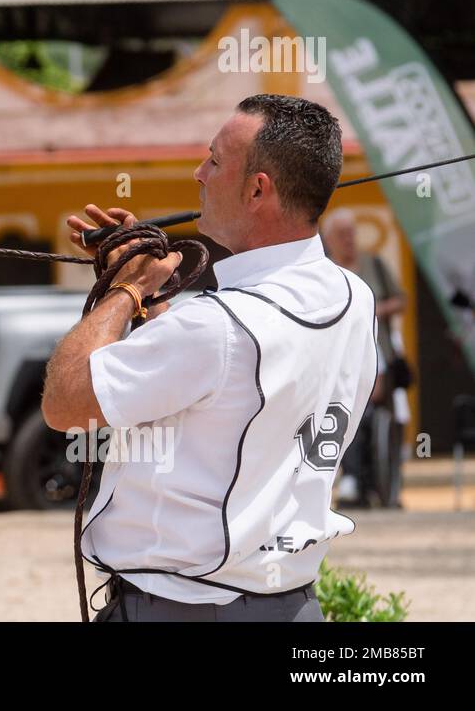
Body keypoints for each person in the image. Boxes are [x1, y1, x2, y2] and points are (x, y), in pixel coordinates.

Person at [42, 95, 377, 622]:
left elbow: (64, 403)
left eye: (215, 160)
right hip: (290, 608)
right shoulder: (353, 298)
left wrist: (123, 291)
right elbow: (217, 385)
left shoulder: (212, 326)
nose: (199, 174)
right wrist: (150, 305)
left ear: (257, 189)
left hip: (182, 608)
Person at [322, 208, 408, 509]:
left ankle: (384, 486)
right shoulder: (325, 271)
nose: (349, 239)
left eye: (351, 232)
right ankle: (353, 480)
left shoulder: (373, 264)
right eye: (342, 234)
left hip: (378, 352)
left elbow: (401, 300)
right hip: (340, 358)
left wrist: (373, 310)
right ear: (328, 239)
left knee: (382, 418)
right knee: (350, 417)